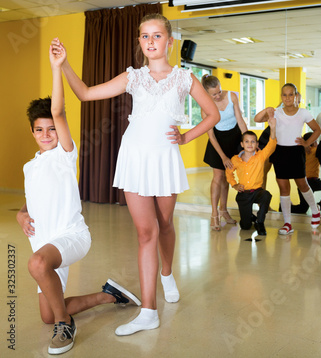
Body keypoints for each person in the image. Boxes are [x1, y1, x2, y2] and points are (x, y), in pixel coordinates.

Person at [56, 13, 219, 336]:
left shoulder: (185, 79)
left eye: (157, 36)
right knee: (146, 233)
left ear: (169, 41)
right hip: (133, 158)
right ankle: (149, 311)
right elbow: (86, 93)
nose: (150, 42)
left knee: (166, 224)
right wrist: (63, 65)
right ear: (140, 43)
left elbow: (212, 114)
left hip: (165, 159)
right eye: (144, 37)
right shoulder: (133, 77)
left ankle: (167, 272)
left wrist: (187, 137)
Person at [16, 42, 141, 355]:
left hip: (70, 237)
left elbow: (58, 110)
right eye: (39, 130)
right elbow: (33, 199)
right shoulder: (30, 166)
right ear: (32, 132)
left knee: (36, 264)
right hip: (46, 244)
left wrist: (57, 68)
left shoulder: (64, 154)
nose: (47, 135)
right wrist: (21, 213)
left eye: (51, 129)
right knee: (48, 312)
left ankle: (65, 326)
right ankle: (108, 296)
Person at [254, 83, 321, 235]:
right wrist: (267, 110)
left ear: (296, 95)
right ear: (281, 97)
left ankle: (315, 210)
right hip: (280, 152)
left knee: (302, 184)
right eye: (284, 95)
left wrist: (306, 142)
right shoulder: (276, 112)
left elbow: (318, 130)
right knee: (284, 188)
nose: (287, 98)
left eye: (290, 94)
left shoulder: (303, 113)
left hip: (296, 152)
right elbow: (257, 119)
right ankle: (287, 223)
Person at [201, 75, 248, 231]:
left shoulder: (232, 96)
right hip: (218, 142)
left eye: (219, 91)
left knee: (228, 177)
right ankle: (214, 214)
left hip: (234, 138)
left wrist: (248, 142)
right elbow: (211, 136)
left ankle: (224, 209)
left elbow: (240, 120)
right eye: (214, 94)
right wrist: (223, 157)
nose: (218, 95)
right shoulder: (205, 108)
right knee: (218, 176)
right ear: (207, 94)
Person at [226, 115, 277, 235]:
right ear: (242, 144)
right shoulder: (235, 159)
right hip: (243, 194)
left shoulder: (260, 156)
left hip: (257, 192)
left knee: (266, 195)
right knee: (245, 226)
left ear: (257, 144)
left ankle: (260, 221)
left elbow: (271, 145)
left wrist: (273, 128)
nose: (250, 144)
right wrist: (234, 185)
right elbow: (228, 173)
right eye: (247, 141)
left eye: (253, 141)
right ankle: (250, 218)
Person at [289, 132, 321, 214]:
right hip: (311, 182)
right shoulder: (315, 150)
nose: (317, 143)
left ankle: (285, 206)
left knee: (302, 209)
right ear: (312, 142)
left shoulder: (300, 151)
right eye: (315, 141)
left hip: (301, 183)